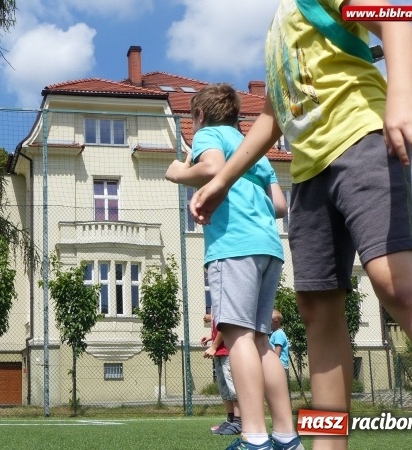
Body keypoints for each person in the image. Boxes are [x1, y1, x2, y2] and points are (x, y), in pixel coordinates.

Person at [190, 1, 412, 448]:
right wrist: (222, 180)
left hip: (363, 139)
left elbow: (395, 23)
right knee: (317, 310)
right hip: (309, 175)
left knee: (393, 281)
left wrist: (402, 96)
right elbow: (273, 117)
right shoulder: (276, 29)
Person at [166, 83, 302, 450]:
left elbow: (211, 167)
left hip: (233, 246)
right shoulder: (254, 151)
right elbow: (279, 205)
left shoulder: (208, 134)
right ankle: (287, 438)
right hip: (268, 247)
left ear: (198, 116)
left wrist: (179, 171)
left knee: (239, 335)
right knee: (261, 341)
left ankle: (255, 438)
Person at [202, 313, 242, 436]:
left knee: (232, 387)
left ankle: (238, 421)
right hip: (220, 351)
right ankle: (230, 420)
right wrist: (212, 337)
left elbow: (225, 323)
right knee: (224, 388)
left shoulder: (223, 295)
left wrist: (214, 346)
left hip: (228, 350)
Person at [269, 309, 290, 383]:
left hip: (279, 367)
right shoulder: (274, 333)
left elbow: (277, 353)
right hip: (278, 366)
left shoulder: (278, 334)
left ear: (276, 321)